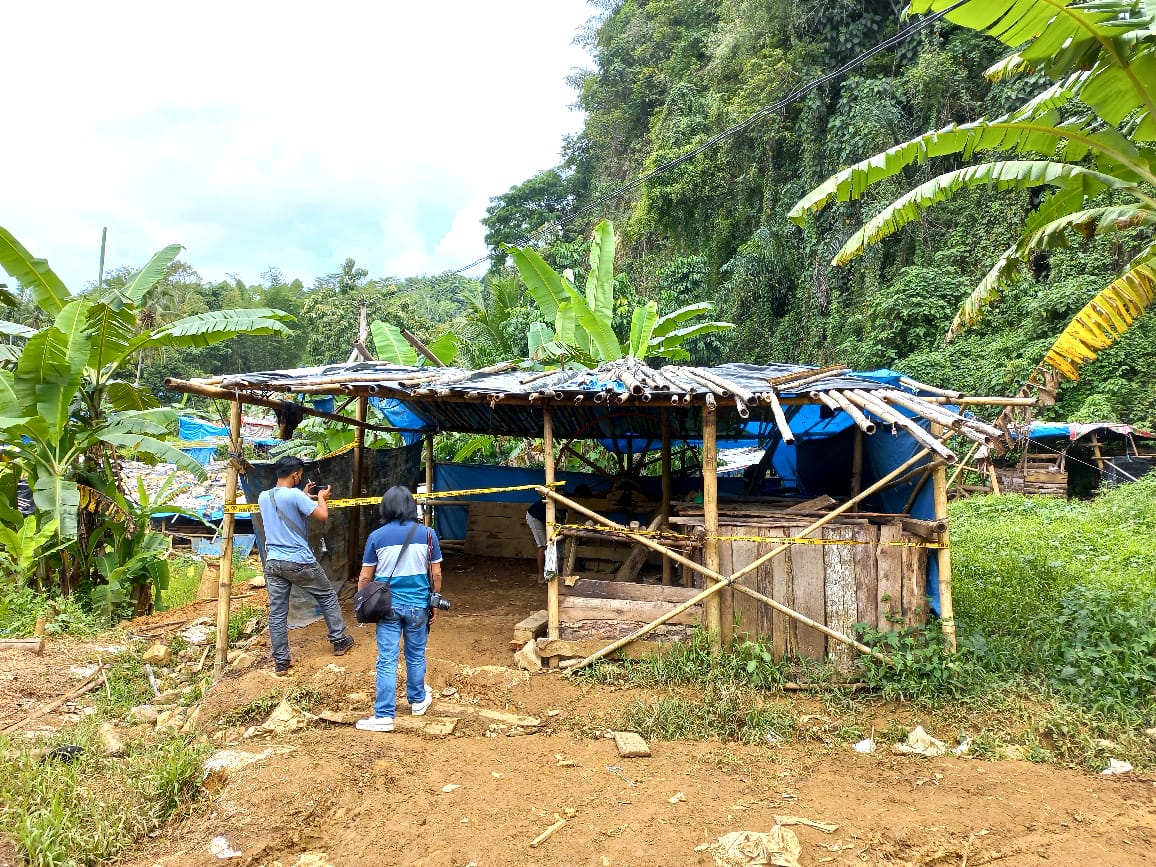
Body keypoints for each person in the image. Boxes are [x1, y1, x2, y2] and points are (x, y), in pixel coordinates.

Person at [356, 485, 444, 733]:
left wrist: (363, 601)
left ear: (385, 507)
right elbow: (436, 572)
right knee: (416, 655)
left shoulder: (376, 536)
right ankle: (417, 701)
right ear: (410, 506)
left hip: (388, 607)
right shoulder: (428, 534)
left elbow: (365, 577)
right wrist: (434, 600)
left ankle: (384, 714)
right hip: (419, 606)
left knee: (387, 658)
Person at [259, 456, 354, 676]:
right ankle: (340, 640)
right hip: (299, 561)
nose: (301, 477)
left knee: (277, 613)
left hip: (273, 562)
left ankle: (281, 662)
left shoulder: (265, 496)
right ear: (295, 474)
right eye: (300, 475)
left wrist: (304, 495)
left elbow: (286, 506)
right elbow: (322, 515)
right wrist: (321, 497)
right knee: (327, 596)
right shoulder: (294, 496)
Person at [525, 498, 549, 581]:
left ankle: (547, 573)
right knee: (543, 546)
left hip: (541, 517)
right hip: (535, 517)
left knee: (547, 544)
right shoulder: (560, 496)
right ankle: (541, 576)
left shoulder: (563, 496)